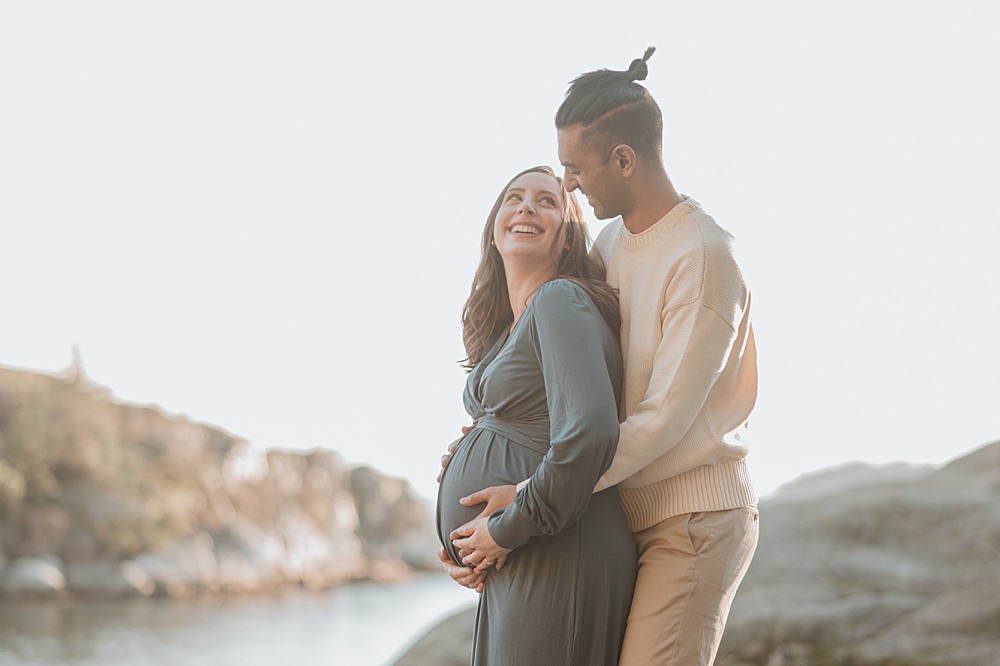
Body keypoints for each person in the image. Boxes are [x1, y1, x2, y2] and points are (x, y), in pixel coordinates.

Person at [442, 48, 759, 665]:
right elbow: (571, 375)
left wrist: (531, 496)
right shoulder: (615, 241)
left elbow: (660, 420)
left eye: (574, 169)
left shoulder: (704, 257)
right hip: (619, 508)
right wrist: (491, 440)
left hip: (690, 518)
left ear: (623, 159)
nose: (568, 185)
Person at [436, 165, 637, 665]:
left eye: (547, 201)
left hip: (560, 548)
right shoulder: (512, 326)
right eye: (514, 197)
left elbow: (590, 433)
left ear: (569, 237)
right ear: (493, 226)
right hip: (525, 555)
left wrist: (502, 529)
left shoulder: (559, 299)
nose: (526, 207)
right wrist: (467, 546)